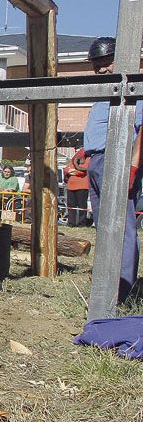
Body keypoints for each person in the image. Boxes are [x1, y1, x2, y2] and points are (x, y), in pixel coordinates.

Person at [83, 37, 142, 301]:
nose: (102, 69)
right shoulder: (106, 89)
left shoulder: (134, 86)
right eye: (97, 65)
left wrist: (131, 165)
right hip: (97, 160)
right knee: (104, 227)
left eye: (107, 63)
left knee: (122, 228)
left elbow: (141, 130)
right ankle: (108, 287)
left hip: (116, 159)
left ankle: (122, 292)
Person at [65, 149, 91, 227]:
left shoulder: (88, 159)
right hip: (70, 186)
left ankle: (81, 223)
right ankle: (71, 223)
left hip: (82, 186)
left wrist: (73, 171)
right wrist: (73, 171)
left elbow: (83, 171)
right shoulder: (73, 160)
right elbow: (66, 169)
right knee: (70, 205)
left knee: (82, 205)